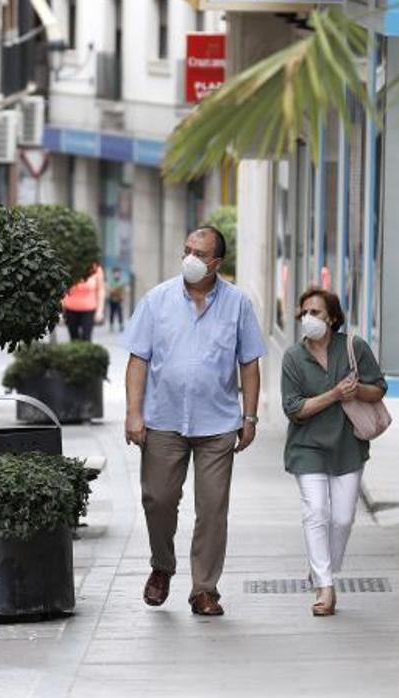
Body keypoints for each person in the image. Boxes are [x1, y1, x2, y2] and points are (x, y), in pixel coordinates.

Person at [123, 226, 266, 617]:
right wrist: (134, 412)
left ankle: (205, 589)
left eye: (199, 253)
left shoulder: (238, 304)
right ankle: (162, 565)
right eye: (186, 250)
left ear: (217, 263)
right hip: (163, 420)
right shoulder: (157, 300)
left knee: (213, 508)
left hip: (218, 423)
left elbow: (249, 363)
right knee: (158, 498)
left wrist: (249, 416)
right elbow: (138, 359)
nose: (190, 258)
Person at [279, 288, 386, 617]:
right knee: (316, 513)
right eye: (305, 313)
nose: (309, 318)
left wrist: (357, 391)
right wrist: (336, 394)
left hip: (347, 446)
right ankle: (326, 587)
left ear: (333, 317)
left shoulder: (354, 347)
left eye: (317, 312)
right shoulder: (294, 358)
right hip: (307, 446)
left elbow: (378, 387)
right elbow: (294, 409)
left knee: (342, 518)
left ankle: (321, 569)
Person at [62, 263, 105, 341]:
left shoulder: (96, 268)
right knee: (73, 338)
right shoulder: (69, 265)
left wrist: (100, 311)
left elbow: (100, 290)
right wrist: (60, 310)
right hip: (70, 309)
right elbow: (62, 288)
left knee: (86, 337)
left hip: (89, 309)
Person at [106, 267, 128, 332]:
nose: (116, 274)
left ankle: (121, 325)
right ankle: (111, 325)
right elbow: (109, 289)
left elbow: (124, 291)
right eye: (115, 273)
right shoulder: (110, 281)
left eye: (118, 273)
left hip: (119, 300)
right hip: (112, 300)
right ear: (113, 274)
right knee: (112, 313)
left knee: (119, 313)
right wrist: (114, 290)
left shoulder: (122, 281)